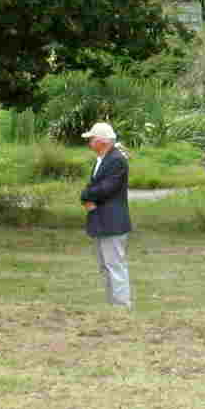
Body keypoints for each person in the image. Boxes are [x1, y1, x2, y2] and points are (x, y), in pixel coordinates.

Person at [81, 121, 131, 306]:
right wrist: (87, 196)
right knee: (106, 266)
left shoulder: (117, 160)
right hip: (101, 220)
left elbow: (105, 188)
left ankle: (121, 305)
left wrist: (85, 195)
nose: (90, 142)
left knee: (115, 265)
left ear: (102, 141)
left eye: (92, 139)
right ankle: (113, 303)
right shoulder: (101, 159)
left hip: (113, 221)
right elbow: (94, 186)